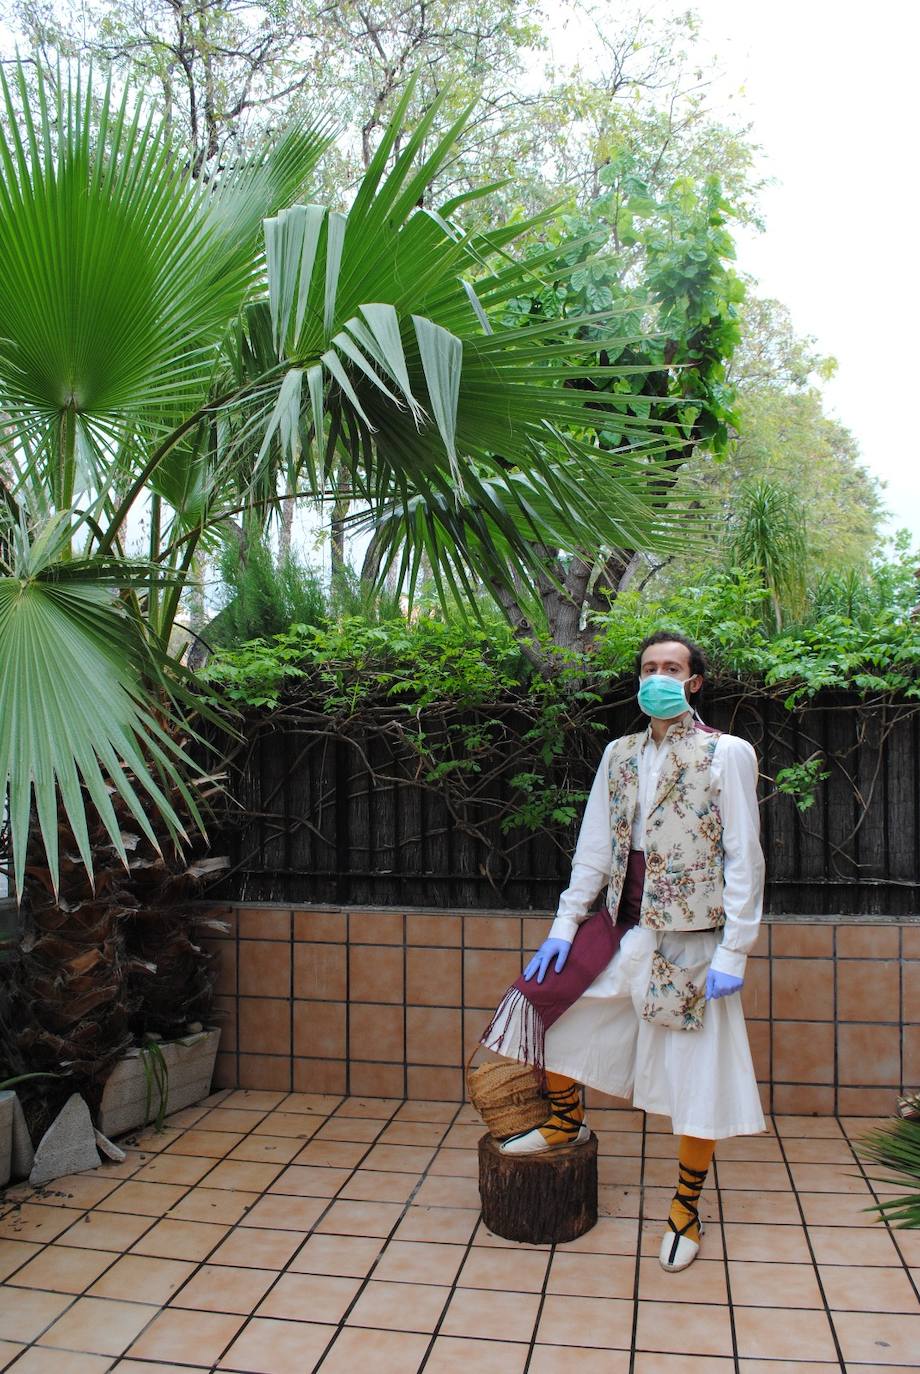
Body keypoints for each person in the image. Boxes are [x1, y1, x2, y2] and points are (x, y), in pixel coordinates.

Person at [480, 630, 765, 1271]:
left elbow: (744, 857)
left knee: (697, 1076)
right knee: (549, 1008)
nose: (657, 677)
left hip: (692, 938)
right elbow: (595, 848)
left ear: (694, 682)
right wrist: (563, 926)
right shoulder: (619, 753)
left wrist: (734, 953)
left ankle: (686, 1208)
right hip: (619, 923)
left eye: (672, 668)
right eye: (647, 668)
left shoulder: (728, 754)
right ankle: (563, 1122)